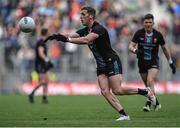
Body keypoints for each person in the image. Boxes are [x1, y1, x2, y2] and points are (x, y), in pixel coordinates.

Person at [45, 6, 157, 121]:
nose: (80, 17)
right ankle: (124, 115)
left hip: (111, 61)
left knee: (117, 90)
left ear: (91, 16)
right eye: (80, 14)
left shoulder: (99, 29)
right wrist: (57, 35)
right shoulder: (85, 30)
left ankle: (146, 92)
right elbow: (71, 35)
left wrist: (67, 40)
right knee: (104, 91)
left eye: (83, 14)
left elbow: (86, 40)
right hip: (100, 64)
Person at [129, 13, 176, 112]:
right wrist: (136, 51)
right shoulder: (138, 33)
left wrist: (170, 62)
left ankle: (148, 104)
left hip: (153, 62)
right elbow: (130, 46)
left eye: (150, 22)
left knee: (150, 80)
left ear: (153, 23)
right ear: (143, 23)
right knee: (147, 87)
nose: (148, 24)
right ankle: (156, 103)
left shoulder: (158, 35)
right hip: (141, 63)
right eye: (146, 22)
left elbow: (165, 49)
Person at [28, 28, 53, 104]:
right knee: (43, 81)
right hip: (40, 64)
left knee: (46, 81)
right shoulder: (41, 42)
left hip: (43, 64)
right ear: (46, 33)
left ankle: (44, 98)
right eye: (48, 33)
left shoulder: (42, 42)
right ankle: (31, 94)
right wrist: (47, 60)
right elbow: (40, 53)